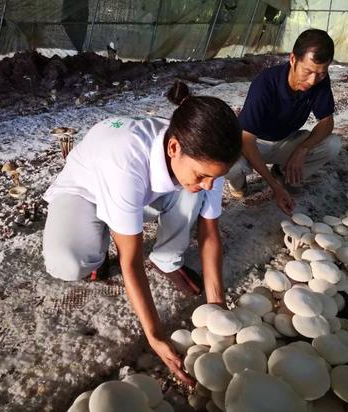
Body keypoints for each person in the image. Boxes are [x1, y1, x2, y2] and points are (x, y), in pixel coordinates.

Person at [42, 81, 242, 385]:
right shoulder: (127, 161)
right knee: (69, 262)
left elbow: (209, 233)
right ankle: (99, 239)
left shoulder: (202, 158)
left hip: (139, 195)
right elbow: (130, 262)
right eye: (204, 175)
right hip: (87, 193)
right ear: (173, 147)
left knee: (192, 192)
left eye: (215, 178)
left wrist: (217, 306)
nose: (210, 184)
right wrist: (155, 334)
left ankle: (166, 258)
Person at [225, 29, 342, 215]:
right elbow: (246, 139)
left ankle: (281, 172)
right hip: (254, 143)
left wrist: (301, 150)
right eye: (308, 71)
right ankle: (239, 184)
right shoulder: (265, 83)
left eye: (320, 73)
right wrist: (274, 188)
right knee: (231, 166)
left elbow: (327, 122)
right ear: (293, 59)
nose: (313, 80)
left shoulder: (320, 80)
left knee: (332, 145)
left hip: (285, 141)